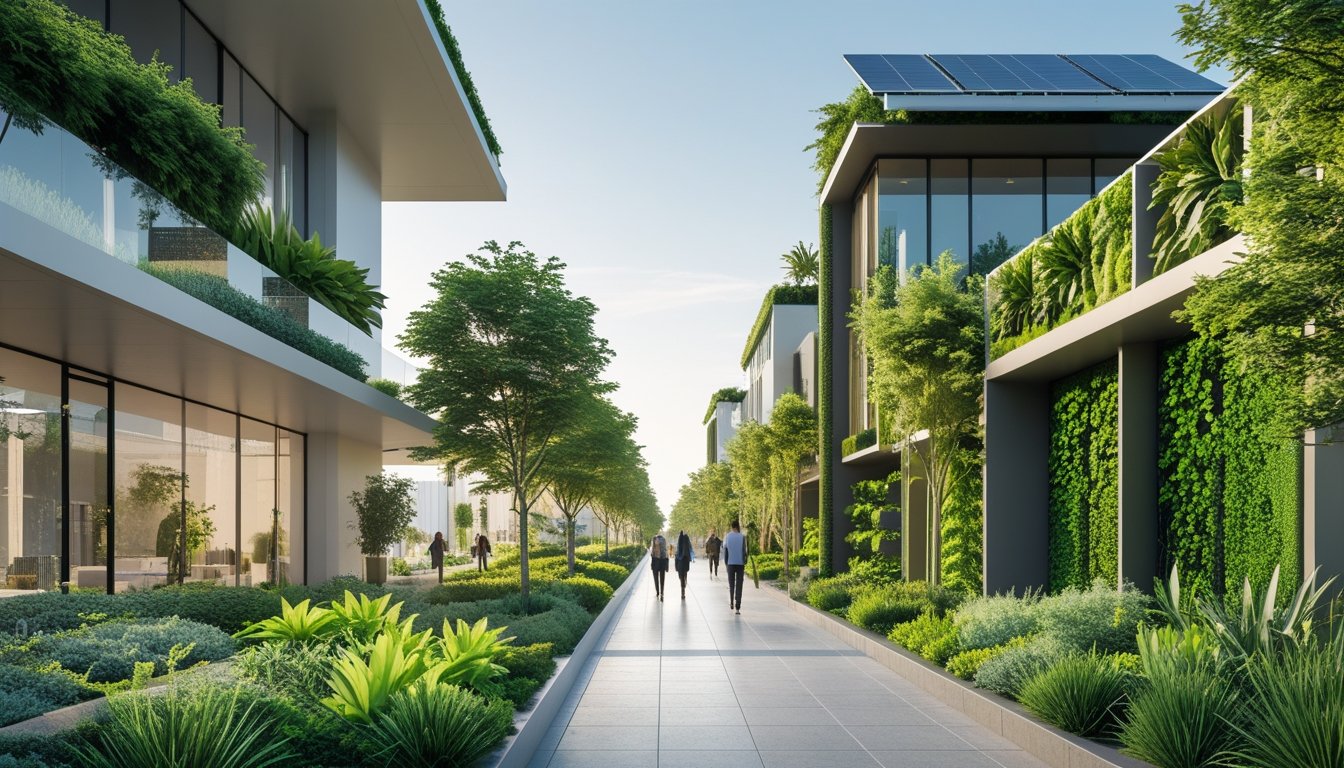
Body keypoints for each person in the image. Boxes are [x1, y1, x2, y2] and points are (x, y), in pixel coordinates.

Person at [723, 520, 747, 614]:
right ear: (738, 526)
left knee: (731, 584)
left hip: (730, 563)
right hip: (740, 564)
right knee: (739, 585)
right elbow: (744, 551)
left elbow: (724, 548)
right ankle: (738, 607)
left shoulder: (728, 536)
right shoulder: (742, 537)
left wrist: (726, 562)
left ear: (732, 527)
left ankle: (732, 602)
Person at [674, 530, 694, 600]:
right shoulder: (686, 539)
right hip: (685, 560)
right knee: (684, 574)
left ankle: (682, 591)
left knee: (681, 576)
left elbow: (677, 552)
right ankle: (683, 589)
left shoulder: (679, 540)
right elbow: (690, 549)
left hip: (680, 561)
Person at [649, 534, 669, 601]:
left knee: (656, 578)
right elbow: (666, 552)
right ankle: (661, 593)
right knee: (662, 579)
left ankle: (658, 592)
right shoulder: (664, 540)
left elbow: (651, 553)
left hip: (655, 562)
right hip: (662, 561)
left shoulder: (654, 539)